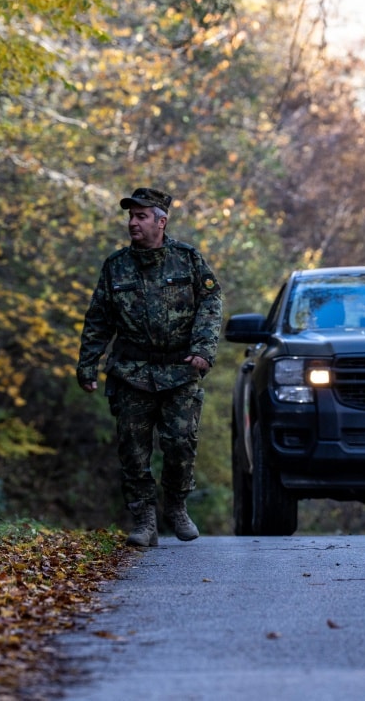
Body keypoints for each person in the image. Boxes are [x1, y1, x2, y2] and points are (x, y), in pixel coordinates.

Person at [77, 188, 223, 547]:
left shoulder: (187, 260)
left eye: (141, 216)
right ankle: (144, 520)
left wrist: (204, 349)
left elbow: (211, 301)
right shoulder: (116, 266)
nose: (133, 223)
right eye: (131, 216)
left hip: (180, 371)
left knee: (179, 445)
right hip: (131, 372)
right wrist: (88, 364)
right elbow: (99, 319)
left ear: (161, 221)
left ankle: (175, 506)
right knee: (133, 449)